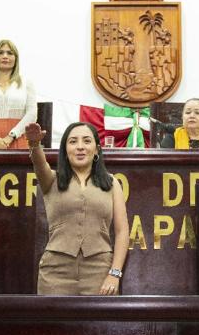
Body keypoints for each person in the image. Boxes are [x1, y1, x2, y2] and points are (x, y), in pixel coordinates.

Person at [25, 121, 129, 295]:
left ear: (96, 149)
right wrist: (35, 145)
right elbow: (39, 164)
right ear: (65, 150)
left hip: (100, 271)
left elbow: (122, 231)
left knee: (98, 323)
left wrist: (114, 273)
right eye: (73, 142)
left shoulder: (111, 183)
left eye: (87, 141)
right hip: (55, 272)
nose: (80, 147)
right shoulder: (51, 180)